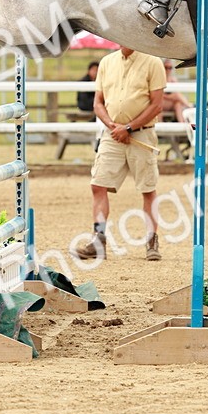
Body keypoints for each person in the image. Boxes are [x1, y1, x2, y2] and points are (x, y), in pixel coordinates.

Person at [74, 46, 166, 262]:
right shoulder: (106, 62)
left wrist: (129, 128)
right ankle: (98, 239)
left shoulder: (153, 61)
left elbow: (157, 105)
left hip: (141, 135)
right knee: (98, 184)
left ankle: (152, 240)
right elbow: (98, 102)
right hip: (112, 134)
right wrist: (113, 126)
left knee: (148, 188)